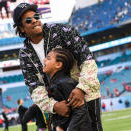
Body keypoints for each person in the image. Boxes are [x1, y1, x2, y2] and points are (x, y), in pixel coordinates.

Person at [13, 3, 102, 131]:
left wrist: (81, 89)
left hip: (85, 96)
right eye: (28, 20)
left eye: (36, 16)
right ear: (21, 28)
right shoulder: (24, 54)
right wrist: (53, 106)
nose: (34, 21)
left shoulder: (62, 31)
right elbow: (34, 86)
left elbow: (87, 59)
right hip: (59, 107)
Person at [43, 48, 92, 131]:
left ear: (58, 65)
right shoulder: (56, 83)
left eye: (48, 58)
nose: (44, 60)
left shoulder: (65, 82)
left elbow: (80, 111)